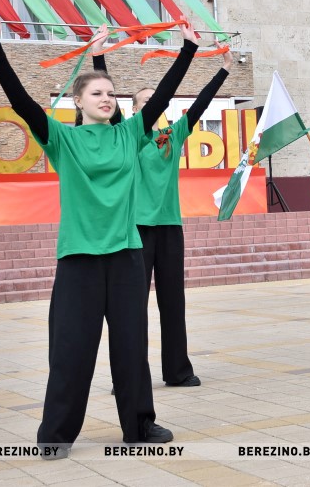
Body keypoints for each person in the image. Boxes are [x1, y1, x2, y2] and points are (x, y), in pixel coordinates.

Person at [0, 7, 197, 458]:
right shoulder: (63, 140)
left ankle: (139, 425)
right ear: (78, 101)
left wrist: (188, 48)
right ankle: (56, 435)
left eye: (111, 93)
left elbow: (162, 97)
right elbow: (21, 102)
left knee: (131, 347)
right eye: (97, 93)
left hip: (126, 256)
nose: (107, 98)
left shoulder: (130, 134)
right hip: (79, 259)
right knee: (71, 349)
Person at [92, 42, 232, 389]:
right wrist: (98, 55)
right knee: (131, 307)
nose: (152, 104)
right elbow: (107, 94)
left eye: (156, 100)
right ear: (134, 109)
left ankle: (177, 371)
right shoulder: (127, 135)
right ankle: (129, 376)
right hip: (136, 230)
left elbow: (200, 105)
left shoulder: (173, 134)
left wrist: (225, 70)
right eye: (145, 101)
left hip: (169, 228)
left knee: (173, 303)